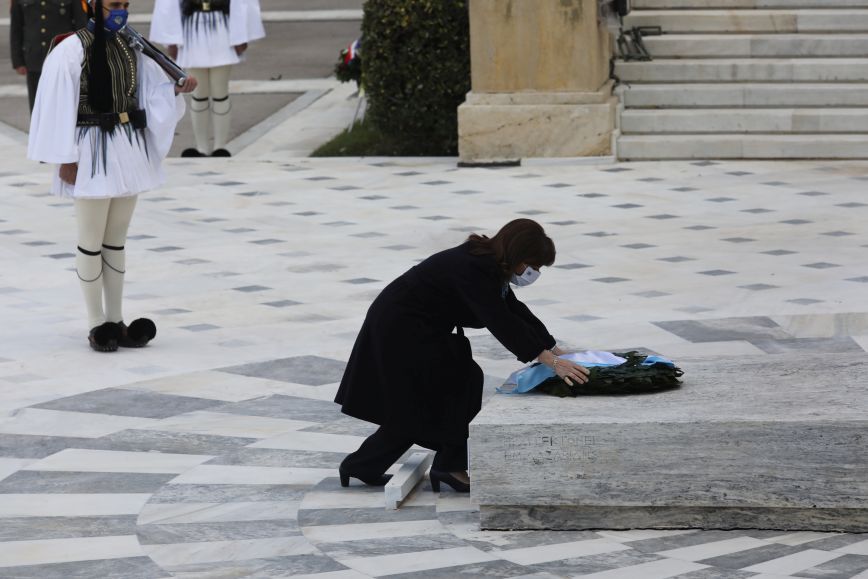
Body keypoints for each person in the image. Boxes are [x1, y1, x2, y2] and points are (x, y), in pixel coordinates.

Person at [335, 219, 591, 492]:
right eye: (533, 265)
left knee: (422, 401)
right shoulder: (475, 267)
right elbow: (499, 320)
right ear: (518, 255)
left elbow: (513, 309)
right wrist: (548, 360)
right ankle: (448, 466)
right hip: (401, 328)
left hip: (418, 327)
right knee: (458, 382)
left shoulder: (489, 265)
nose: (533, 273)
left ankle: (363, 466)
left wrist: (552, 348)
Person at [27, 0, 197, 352]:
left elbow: (149, 91)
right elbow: (58, 102)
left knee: (115, 238)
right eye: (112, 5)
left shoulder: (130, 45)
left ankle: (116, 320)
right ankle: (95, 322)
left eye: (123, 4)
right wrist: (65, 157)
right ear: (92, 6)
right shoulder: (71, 49)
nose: (119, 10)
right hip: (89, 148)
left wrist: (174, 89)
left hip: (126, 148)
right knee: (90, 239)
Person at [149, 0, 264, 157]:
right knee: (198, 94)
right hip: (192, 26)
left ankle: (220, 146)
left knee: (220, 92)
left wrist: (242, 33)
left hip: (222, 25)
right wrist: (171, 40)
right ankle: (201, 147)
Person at [9, 0, 87, 111]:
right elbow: (16, 28)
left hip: (63, 60)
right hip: (34, 59)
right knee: (37, 106)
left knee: (62, 106)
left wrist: (83, 55)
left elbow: (81, 25)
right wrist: (18, 60)